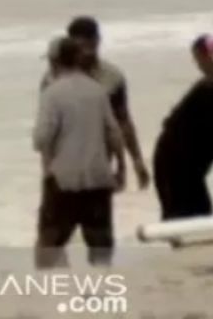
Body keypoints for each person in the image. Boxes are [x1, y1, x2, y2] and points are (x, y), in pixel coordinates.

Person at [33, 36, 123, 268]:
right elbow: (114, 132)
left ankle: (53, 292)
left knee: (50, 243)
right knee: (100, 244)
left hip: (64, 180)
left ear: (54, 62)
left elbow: (42, 137)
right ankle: (101, 292)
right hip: (98, 178)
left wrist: (43, 153)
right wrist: (121, 169)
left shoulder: (52, 93)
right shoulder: (97, 91)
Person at [42, 16, 149, 192]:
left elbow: (122, 122)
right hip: (62, 168)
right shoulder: (52, 80)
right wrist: (47, 171)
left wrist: (135, 161)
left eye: (91, 45)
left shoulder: (112, 77)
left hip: (99, 165)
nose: (87, 52)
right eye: (82, 47)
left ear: (98, 41)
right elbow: (47, 131)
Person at [152, 35, 213, 220]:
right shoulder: (205, 88)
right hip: (175, 164)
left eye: (197, 59)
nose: (198, 65)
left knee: (197, 214)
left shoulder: (206, 87)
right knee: (185, 215)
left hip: (187, 165)